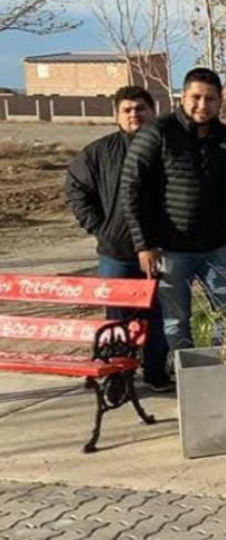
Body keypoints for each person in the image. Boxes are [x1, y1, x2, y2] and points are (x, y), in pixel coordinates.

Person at [122, 67, 226, 353]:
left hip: (218, 248)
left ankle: (221, 366)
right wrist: (144, 244)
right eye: (196, 97)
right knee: (176, 320)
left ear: (220, 101)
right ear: (183, 97)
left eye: (210, 99)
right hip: (171, 249)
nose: (202, 105)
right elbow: (132, 191)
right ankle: (185, 373)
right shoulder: (158, 133)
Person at [65, 85, 171, 390]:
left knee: (157, 314)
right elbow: (75, 189)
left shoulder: (167, 148)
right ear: (117, 115)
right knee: (118, 317)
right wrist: (99, 226)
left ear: (153, 111)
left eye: (141, 108)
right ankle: (119, 373)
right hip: (117, 252)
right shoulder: (99, 153)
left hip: (160, 249)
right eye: (127, 110)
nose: (134, 114)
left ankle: (155, 371)